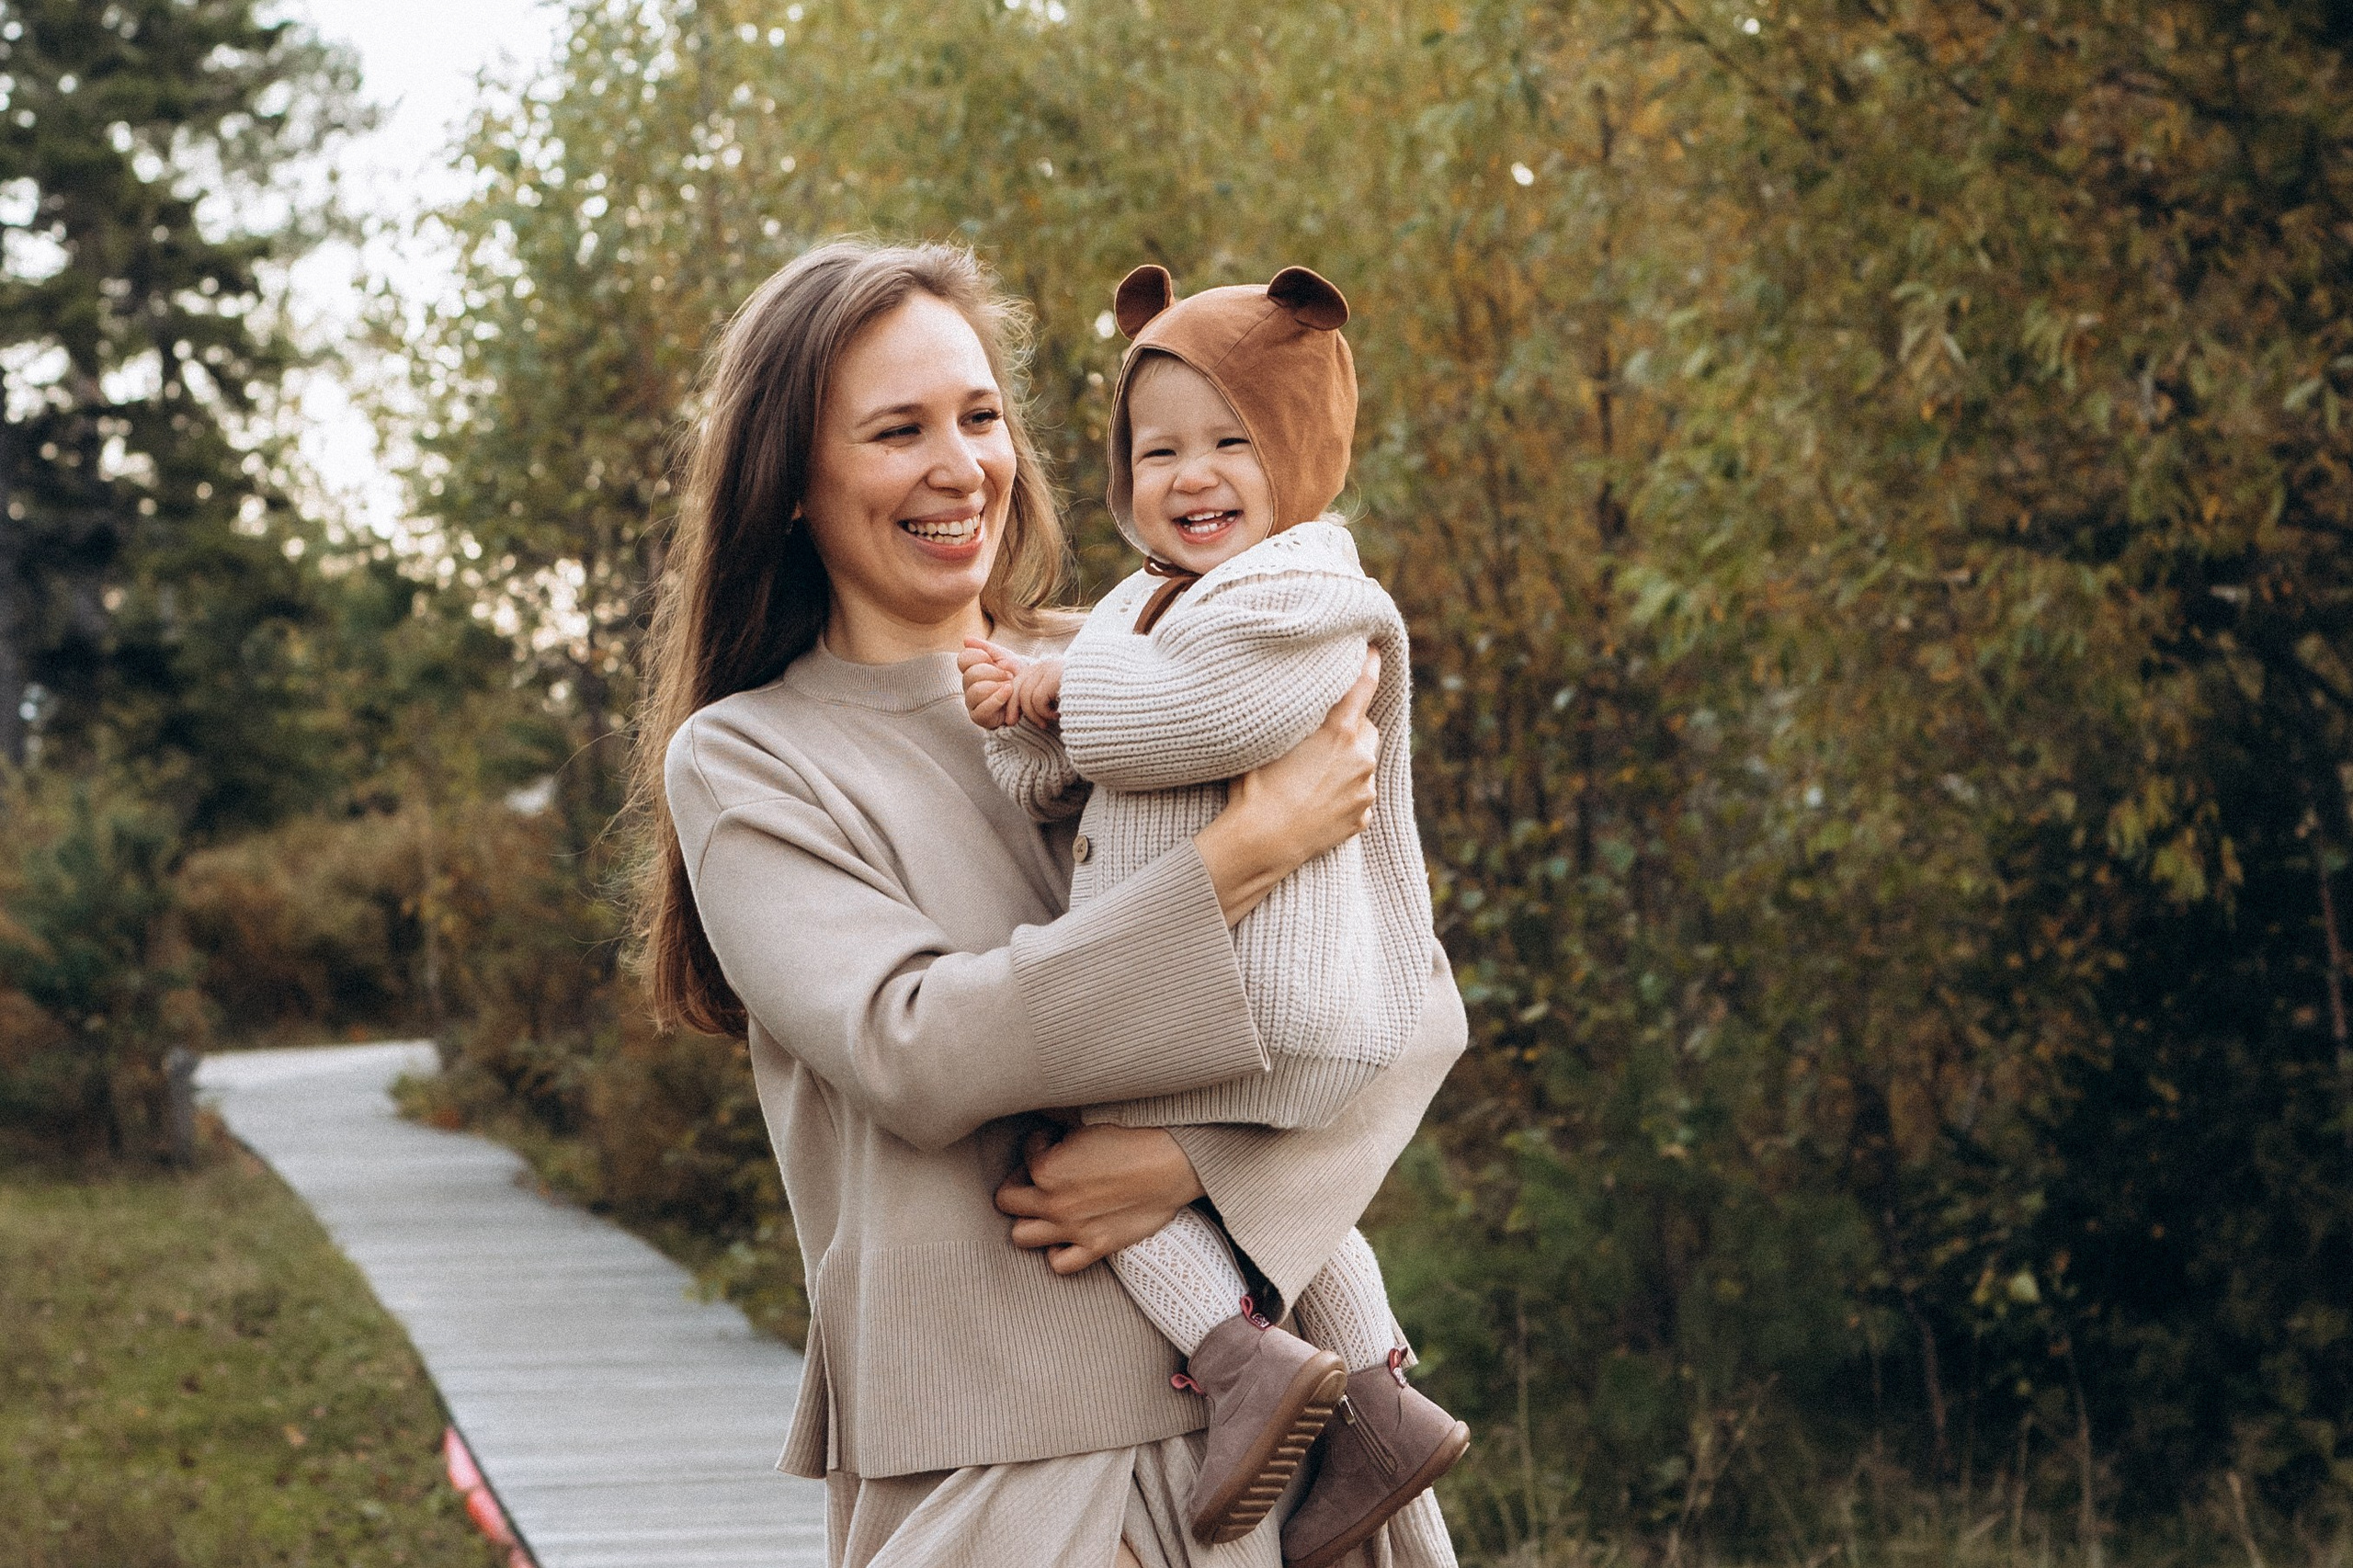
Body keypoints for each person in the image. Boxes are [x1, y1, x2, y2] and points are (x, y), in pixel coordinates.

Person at [635, 236, 1464, 1568]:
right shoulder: (749, 761)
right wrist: (1242, 856)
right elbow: (916, 1043)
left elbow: (1407, 1002)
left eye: (978, 417)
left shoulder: (1143, 664)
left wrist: (1203, 1165)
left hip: (1294, 1465)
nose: (958, 465)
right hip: (1007, 1478)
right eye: (897, 430)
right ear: (793, 478)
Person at [959, 264, 1468, 1568]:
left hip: (1270, 976)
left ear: (1303, 451)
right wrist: (1014, 713)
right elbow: (1068, 766)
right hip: (1229, 972)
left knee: (1076, 1136)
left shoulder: (1312, 589)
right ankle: (1374, 1395)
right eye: (1158, 447)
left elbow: (1203, 720)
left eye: (1233, 441)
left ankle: (1238, 1354)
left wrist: (1057, 689)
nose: (1193, 475)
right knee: (1292, 1207)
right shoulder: (1144, 602)